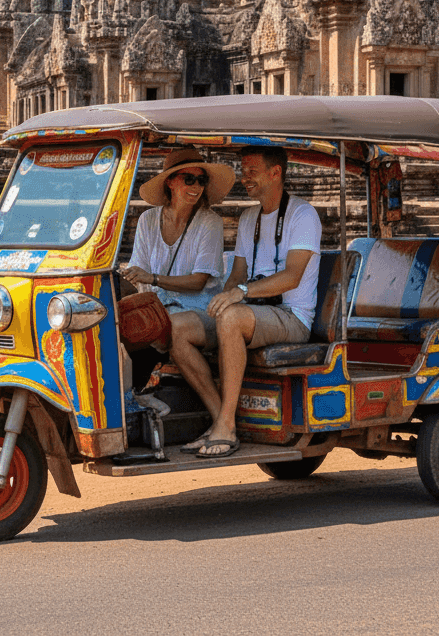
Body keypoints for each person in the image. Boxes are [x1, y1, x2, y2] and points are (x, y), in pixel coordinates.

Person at [169, 146, 321, 459]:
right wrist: (226, 296)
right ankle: (221, 420)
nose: (244, 178)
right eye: (243, 170)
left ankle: (225, 424)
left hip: (290, 316)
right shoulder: (249, 217)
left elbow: (292, 276)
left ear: (275, 172)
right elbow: (236, 275)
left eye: (251, 171)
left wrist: (240, 294)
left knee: (231, 318)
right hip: (251, 312)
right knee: (176, 328)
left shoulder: (303, 214)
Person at [119, 147, 235, 380]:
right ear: (170, 182)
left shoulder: (209, 222)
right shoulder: (148, 220)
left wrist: (153, 278)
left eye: (201, 181)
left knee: (160, 328)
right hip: (158, 310)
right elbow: (137, 272)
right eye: (189, 179)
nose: (196, 187)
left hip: (199, 312)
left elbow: (198, 283)